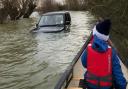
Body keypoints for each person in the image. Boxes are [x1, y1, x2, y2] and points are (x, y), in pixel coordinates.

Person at [81, 19, 127, 89]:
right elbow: (118, 75)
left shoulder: (88, 48)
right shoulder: (112, 52)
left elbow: (84, 64)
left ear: (95, 33)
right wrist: (122, 86)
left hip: (90, 85)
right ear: (106, 37)